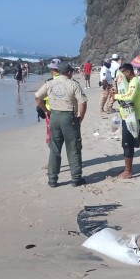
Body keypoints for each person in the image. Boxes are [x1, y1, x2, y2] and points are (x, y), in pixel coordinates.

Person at [34, 60, 87, 188]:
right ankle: (76, 178)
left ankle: (52, 179)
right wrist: (81, 116)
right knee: (73, 148)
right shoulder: (73, 84)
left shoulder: (50, 83)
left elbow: (37, 97)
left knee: (55, 149)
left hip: (55, 116)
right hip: (69, 116)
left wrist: (46, 111)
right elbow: (83, 102)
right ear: (68, 72)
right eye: (71, 72)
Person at [114, 63, 140, 179]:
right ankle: (127, 168)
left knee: (128, 144)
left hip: (133, 117)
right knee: (126, 144)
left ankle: (128, 171)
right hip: (127, 116)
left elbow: (130, 97)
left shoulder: (135, 82)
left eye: (123, 74)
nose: (122, 78)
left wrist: (116, 96)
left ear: (128, 72)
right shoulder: (130, 83)